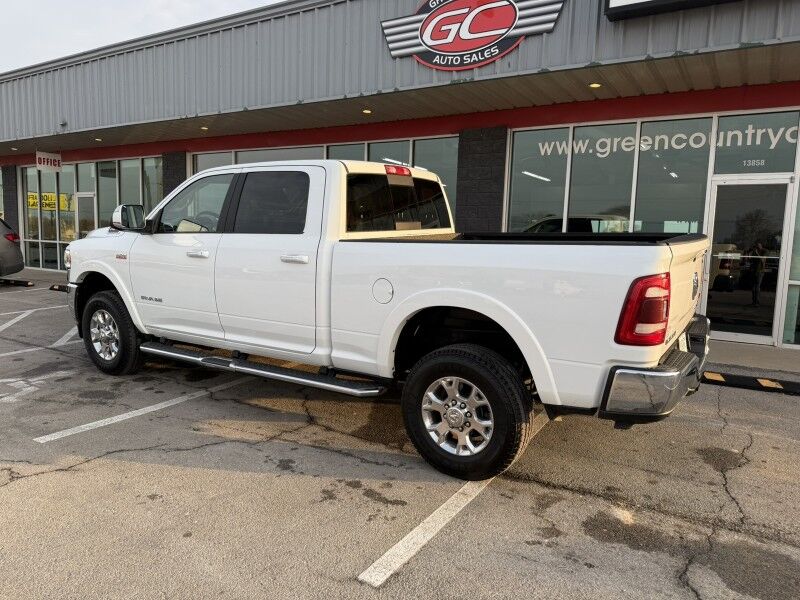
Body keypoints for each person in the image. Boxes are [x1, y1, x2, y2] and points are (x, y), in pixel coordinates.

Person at [749, 242, 767, 307]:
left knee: (757, 287)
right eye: (756, 246)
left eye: (758, 245)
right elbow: (751, 261)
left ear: (761, 245)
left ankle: (757, 302)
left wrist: (756, 253)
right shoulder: (754, 251)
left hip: (760, 271)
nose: (757, 247)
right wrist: (749, 255)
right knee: (753, 287)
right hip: (754, 271)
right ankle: (754, 301)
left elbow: (763, 260)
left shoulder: (764, 251)